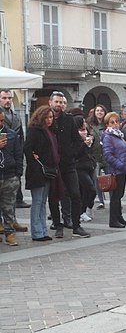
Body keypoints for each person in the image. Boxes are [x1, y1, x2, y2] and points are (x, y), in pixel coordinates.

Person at [48, 91, 90, 238]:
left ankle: (76, 225)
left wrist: (72, 153)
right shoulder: (46, 119)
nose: (58, 105)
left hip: (68, 164)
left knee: (75, 194)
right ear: (50, 103)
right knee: (54, 196)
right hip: (52, 165)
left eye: (61, 102)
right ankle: (58, 225)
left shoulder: (69, 120)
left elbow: (77, 140)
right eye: (56, 102)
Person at [24, 106, 60, 241]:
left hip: (48, 171)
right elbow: (27, 149)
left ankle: (43, 230)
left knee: (43, 202)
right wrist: (34, 161)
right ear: (41, 117)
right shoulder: (34, 130)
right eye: (47, 117)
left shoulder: (49, 131)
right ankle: (37, 232)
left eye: (51, 117)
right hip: (37, 171)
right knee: (37, 202)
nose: (49, 120)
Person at [0, 89, 29, 236]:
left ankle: (12, 222)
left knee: (10, 197)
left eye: (9, 98)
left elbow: (21, 137)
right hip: (2, 162)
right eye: (4, 98)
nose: (7, 100)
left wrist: (20, 163)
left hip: (13, 160)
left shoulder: (16, 116)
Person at [101, 112, 126, 228]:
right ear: (107, 124)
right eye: (112, 122)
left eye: (117, 122)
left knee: (119, 195)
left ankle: (119, 217)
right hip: (116, 170)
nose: (115, 124)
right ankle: (113, 220)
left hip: (122, 170)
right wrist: (120, 165)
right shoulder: (108, 137)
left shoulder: (118, 135)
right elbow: (108, 155)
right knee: (115, 196)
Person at [0, 107, 23, 246]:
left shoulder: (12, 134)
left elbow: (18, 154)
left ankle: (10, 233)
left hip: (10, 176)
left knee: (8, 208)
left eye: (2, 120)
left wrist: (18, 174)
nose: (1, 123)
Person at [74, 116, 97, 223]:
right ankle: (81, 211)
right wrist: (84, 145)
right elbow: (76, 154)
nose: (83, 131)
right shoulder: (75, 139)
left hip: (89, 166)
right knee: (90, 188)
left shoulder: (88, 134)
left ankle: (82, 211)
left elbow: (90, 152)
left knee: (86, 191)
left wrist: (90, 144)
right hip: (79, 167)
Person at [87, 104, 108, 210]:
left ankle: (114, 201)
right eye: (97, 111)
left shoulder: (108, 124)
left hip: (107, 156)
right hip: (95, 156)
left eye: (101, 111)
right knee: (97, 180)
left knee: (111, 179)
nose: (99, 112)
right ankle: (101, 201)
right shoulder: (90, 125)